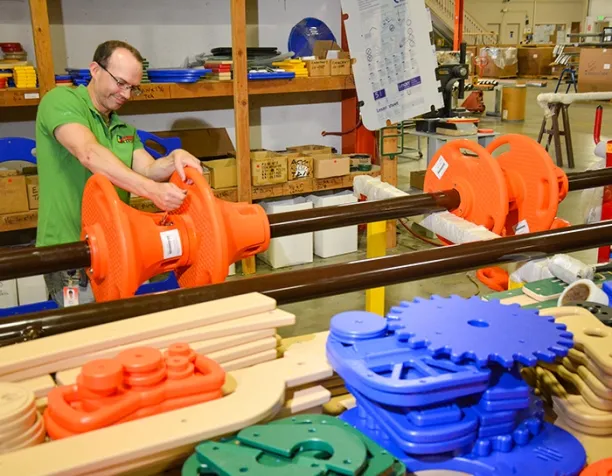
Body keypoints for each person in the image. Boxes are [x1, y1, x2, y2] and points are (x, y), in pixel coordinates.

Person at [35, 40, 203, 307]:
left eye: (133, 88)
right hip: (70, 250)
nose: (125, 94)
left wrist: (173, 160)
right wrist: (151, 191)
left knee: (116, 324)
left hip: (116, 245)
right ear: (95, 69)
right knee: (84, 331)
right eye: (120, 82)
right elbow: (88, 153)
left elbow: (149, 169)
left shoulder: (123, 129)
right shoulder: (59, 101)